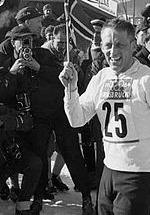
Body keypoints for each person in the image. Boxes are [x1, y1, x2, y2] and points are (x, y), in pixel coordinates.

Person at [59, 18, 150, 215]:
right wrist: (71, 89)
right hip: (108, 169)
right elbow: (77, 119)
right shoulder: (101, 77)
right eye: (108, 45)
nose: (113, 52)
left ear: (133, 46)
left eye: (120, 45)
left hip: (139, 173)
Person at [28, 24, 93, 215]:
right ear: (51, 38)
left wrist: (75, 71)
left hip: (64, 113)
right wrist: (43, 69)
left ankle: (86, 197)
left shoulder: (72, 56)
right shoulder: (40, 53)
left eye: (66, 42)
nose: (62, 46)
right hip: (42, 113)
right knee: (40, 155)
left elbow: (76, 83)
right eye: (59, 42)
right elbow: (48, 73)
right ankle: (38, 197)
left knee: (73, 153)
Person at [0, 27, 43, 215]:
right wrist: (11, 74)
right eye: (23, 41)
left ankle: (23, 205)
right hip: (5, 134)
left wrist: (37, 69)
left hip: (27, 131)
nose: (27, 45)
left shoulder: (39, 61)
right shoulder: (4, 65)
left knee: (36, 164)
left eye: (30, 41)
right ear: (13, 43)